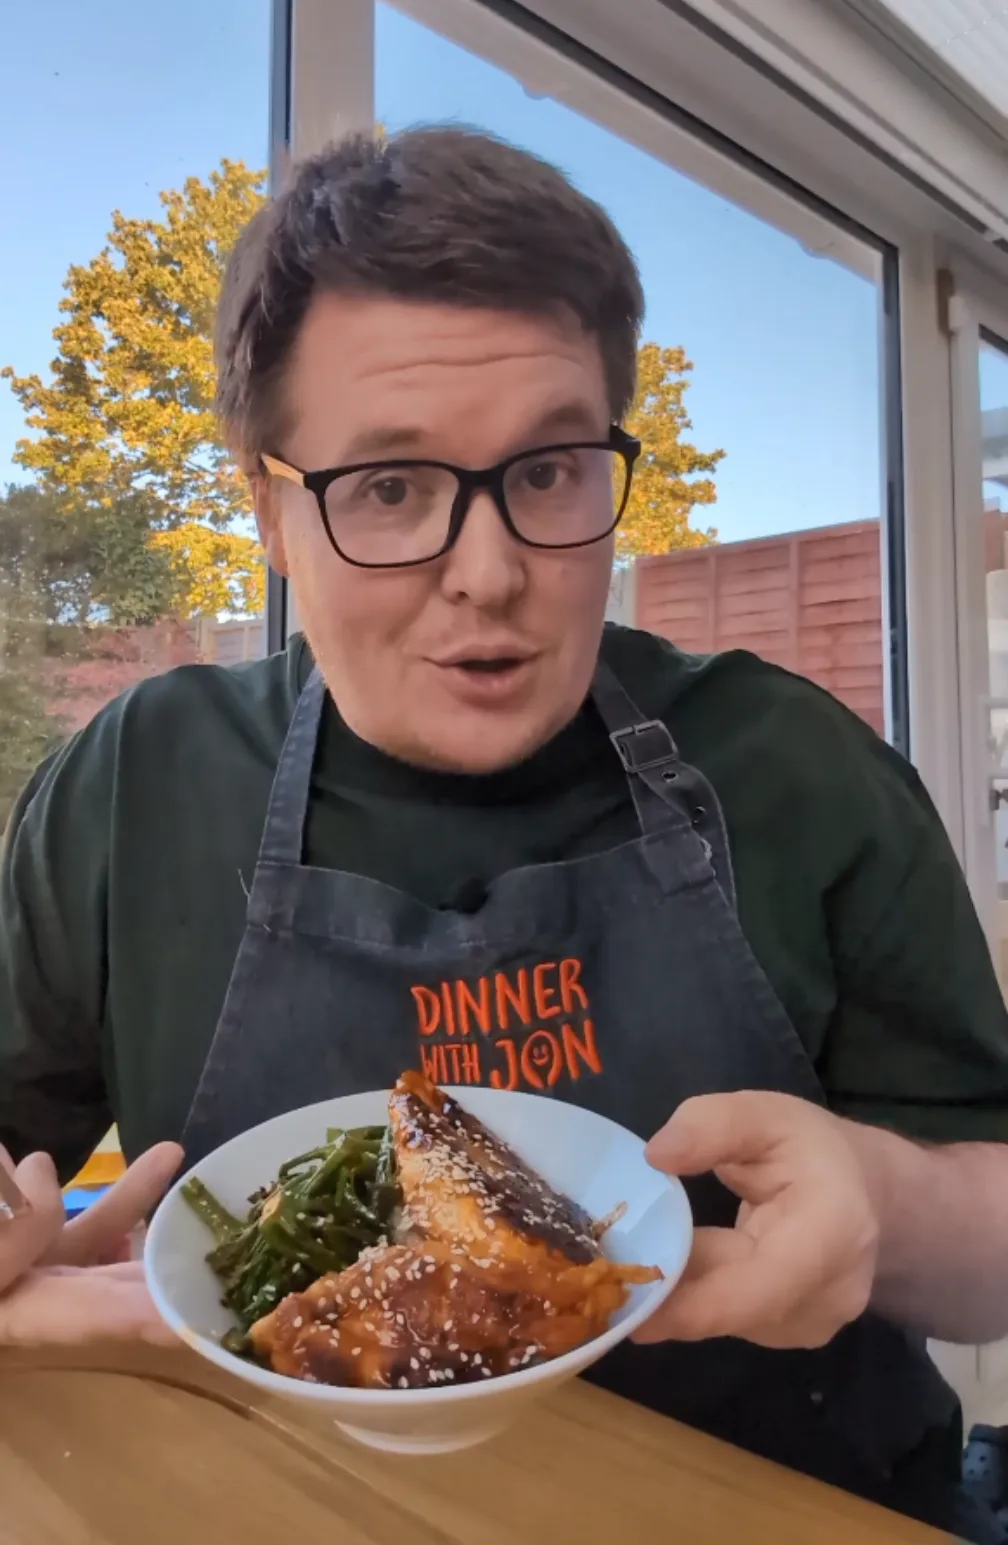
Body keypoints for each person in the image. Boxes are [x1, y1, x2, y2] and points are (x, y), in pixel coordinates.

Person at [3, 125, 1008, 1538]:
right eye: (390, 488)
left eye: (546, 472)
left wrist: (885, 1208)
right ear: (271, 516)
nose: (490, 573)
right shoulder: (139, 784)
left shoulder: (797, 769)